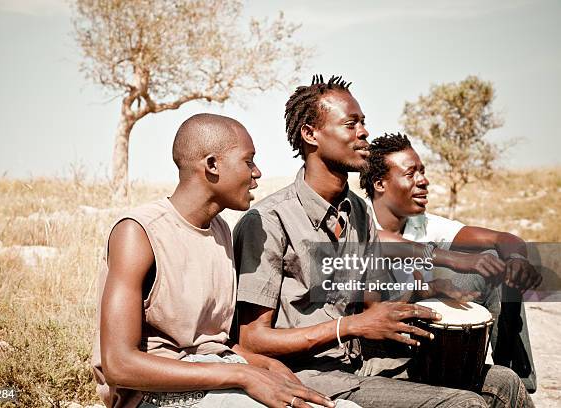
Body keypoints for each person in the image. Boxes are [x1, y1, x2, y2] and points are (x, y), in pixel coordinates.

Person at [233, 75, 535, 407]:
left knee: (503, 381)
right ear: (310, 134)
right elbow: (252, 340)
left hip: (363, 363)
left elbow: (373, 307)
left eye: (363, 123)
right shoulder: (268, 221)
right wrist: (350, 326)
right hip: (310, 373)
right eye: (350, 124)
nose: (364, 133)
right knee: (464, 404)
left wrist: (434, 293)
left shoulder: (358, 212)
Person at [92, 113, 351, 408]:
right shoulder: (138, 232)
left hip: (217, 372)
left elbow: (213, 342)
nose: (257, 173)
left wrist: (263, 365)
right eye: (248, 161)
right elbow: (119, 364)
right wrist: (243, 374)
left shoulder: (221, 231)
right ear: (212, 165)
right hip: (153, 395)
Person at [359, 132, 541, 392]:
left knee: (497, 263)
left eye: (422, 171)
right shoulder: (358, 218)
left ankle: (518, 384)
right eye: (410, 174)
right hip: (380, 344)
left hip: (424, 327)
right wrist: (448, 261)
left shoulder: (423, 223)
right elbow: (377, 241)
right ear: (380, 184)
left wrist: (515, 258)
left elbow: (503, 238)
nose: (424, 181)